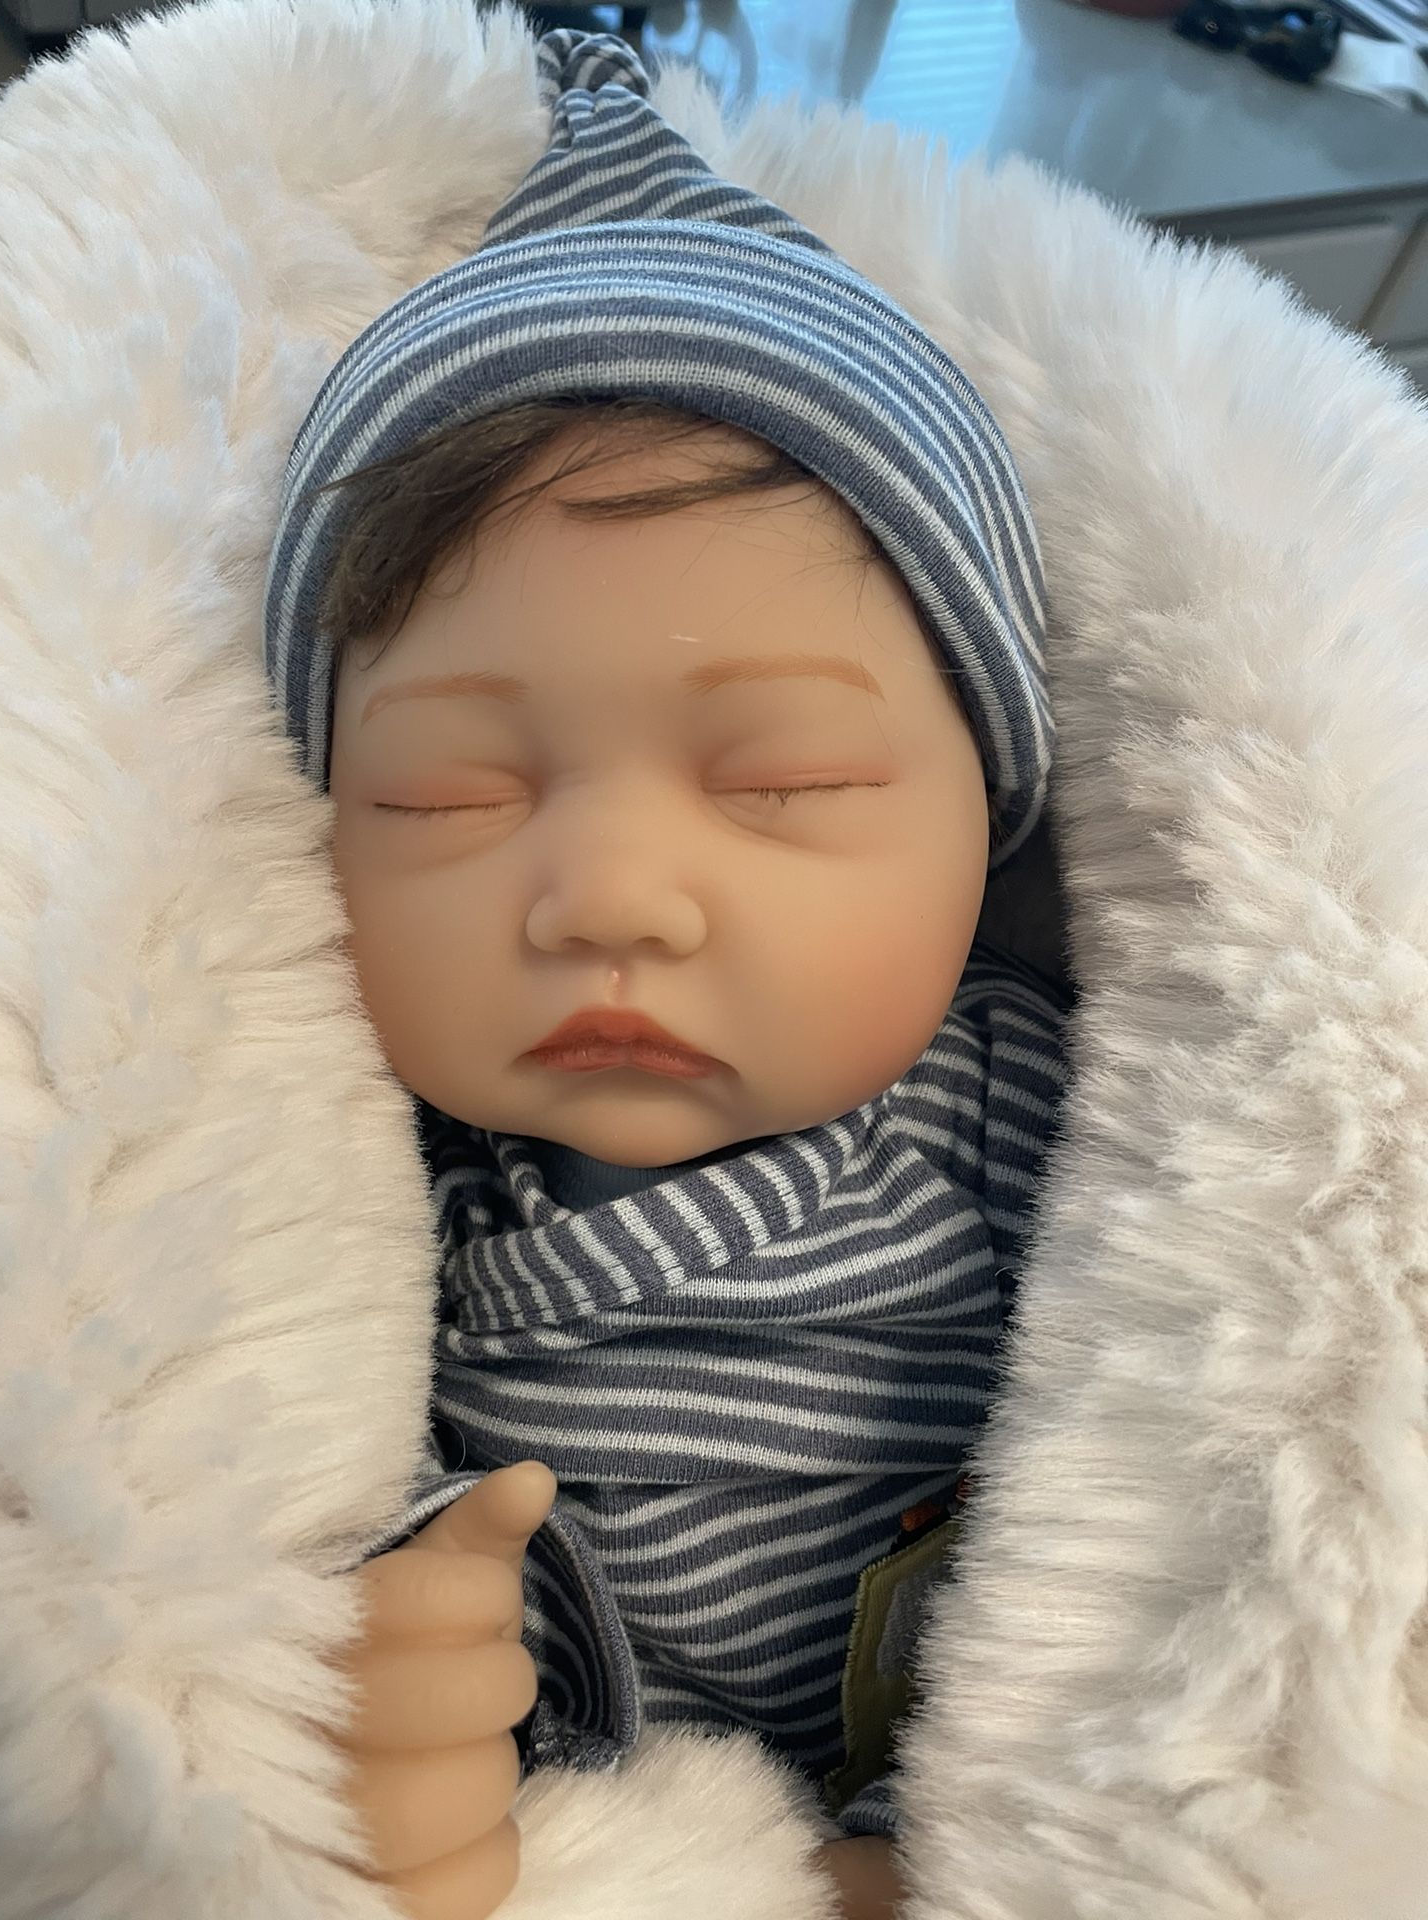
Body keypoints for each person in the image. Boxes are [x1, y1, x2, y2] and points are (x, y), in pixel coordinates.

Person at [261, 27, 1075, 1919]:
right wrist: (386, 1701)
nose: (610, 896)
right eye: (449, 793)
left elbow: (1233, 1444)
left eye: (783, 779)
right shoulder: (361, 1189)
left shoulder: (1039, 1126)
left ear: (989, 822)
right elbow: (266, 1460)